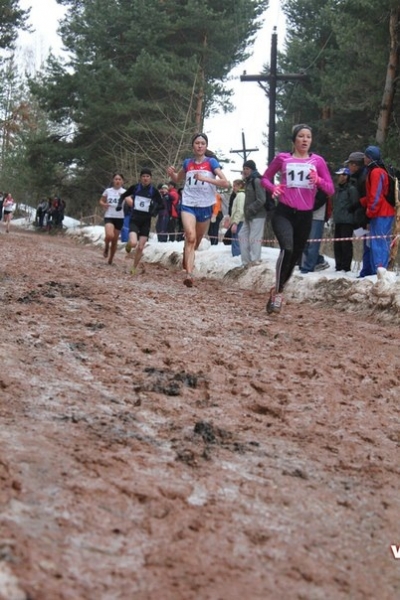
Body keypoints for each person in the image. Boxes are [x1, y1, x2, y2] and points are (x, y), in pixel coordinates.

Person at [261, 124, 335, 314]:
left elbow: (330, 189)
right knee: (287, 248)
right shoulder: (283, 158)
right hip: (284, 212)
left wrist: (318, 181)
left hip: (305, 215)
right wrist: (273, 189)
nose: (304, 140)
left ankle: (279, 288)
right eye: (301, 136)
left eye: (308, 137)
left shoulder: (318, 161)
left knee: (294, 257)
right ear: (294, 140)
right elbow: (265, 178)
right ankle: (277, 293)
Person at [167, 132, 229, 287]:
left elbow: (225, 183)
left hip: (205, 206)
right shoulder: (187, 163)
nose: (200, 146)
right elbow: (177, 179)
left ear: (206, 146)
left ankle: (186, 256)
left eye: (203, 143)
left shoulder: (212, 162)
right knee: (191, 236)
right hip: (188, 204)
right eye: (197, 143)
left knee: (196, 241)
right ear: (193, 146)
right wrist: (171, 173)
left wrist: (206, 178)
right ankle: (189, 274)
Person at [117, 168, 163, 275]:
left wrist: (154, 210)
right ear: (140, 178)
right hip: (135, 219)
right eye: (143, 176)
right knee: (133, 243)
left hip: (146, 221)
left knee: (141, 247)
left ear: (151, 178)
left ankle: (134, 267)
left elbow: (162, 205)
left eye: (147, 176)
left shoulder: (154, 191)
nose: (145, 178)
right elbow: (123, 196)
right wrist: (120, 205)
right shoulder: (135, 188)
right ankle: (129, 244)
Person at [359, 145, 396, 274]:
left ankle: (379, 271)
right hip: (383, 212)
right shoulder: (378, 170)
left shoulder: (376, 172)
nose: (364, 158)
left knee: (379, 243)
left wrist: (370, 212)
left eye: (365, 155)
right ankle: (378, 270)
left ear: (370, 157)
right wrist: (362, 202)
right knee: (379, 242)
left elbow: (376, 196)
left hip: (382, 213)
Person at [344, 151, 371, 276]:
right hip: (362, 215)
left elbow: (369, 198)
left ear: (355, 165)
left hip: (368, 216)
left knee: (369, 244)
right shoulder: (358, 177)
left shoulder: (364, 177)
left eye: (349, 164)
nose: (348, 167)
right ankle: (366, 270)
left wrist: (357, 206)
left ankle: (368, 271)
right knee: (366, 243)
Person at [238, 159, 267, 266]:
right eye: (244, 168)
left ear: (252, 169)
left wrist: (250, 208)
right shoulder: (248, 181)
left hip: (258, 215)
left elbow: (262, 199)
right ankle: (246, 263)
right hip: (248, 216)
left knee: (255, 239)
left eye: (247, 169)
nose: (245, 171)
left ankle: (255, 262)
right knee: (242, 235)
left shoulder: (257, 181)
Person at [332, 167, 359, 272]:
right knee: (337, 245)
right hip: (338, 220)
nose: (340, 177)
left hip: (347, 221)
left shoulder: (351, 189)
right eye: (339, 175)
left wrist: (355, 221)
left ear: (347, 176)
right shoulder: (338, 190)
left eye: (342, 175)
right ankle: (338, 266)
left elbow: (355, 205)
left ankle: (346, 267)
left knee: (346, 244)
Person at [99, 172, 126, 265]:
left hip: (119, 217)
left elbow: (130, 201)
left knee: (114, 240)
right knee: (109, 235)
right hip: (109, 215)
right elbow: (101, 200)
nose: (117, 181)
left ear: (122, 181)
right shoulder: (108, 191)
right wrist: (104, 204)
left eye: (119, 179)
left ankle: (111, 258)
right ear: (113, 180)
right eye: (116, 179)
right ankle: (106, 246)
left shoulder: (124, 192)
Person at [229, 179, 245, 257]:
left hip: (239, 222)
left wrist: (235, 223)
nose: (233, 188)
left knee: (237, 242)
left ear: (240, 186)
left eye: (235, 186)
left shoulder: (241, 195)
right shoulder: (238, 195)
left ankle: (237, 257)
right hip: (239, 221)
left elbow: (240, 210)